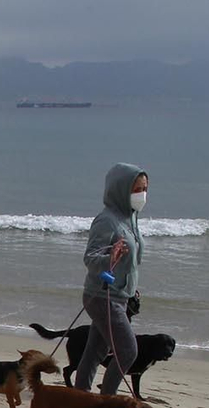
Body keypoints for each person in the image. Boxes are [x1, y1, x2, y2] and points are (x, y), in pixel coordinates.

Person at [75, 163, 148, 395]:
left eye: (145, 189)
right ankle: (106, 403)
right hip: (102, 296)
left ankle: (80, 400)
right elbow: (91, 258)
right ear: (121, 190)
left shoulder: (130, 218)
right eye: (136, 189)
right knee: (128, 351)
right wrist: (109, 258)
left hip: (120, 296)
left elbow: (132, 261)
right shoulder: (106, 220)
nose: (142, 195)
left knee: (95, 352)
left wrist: (132, 288)